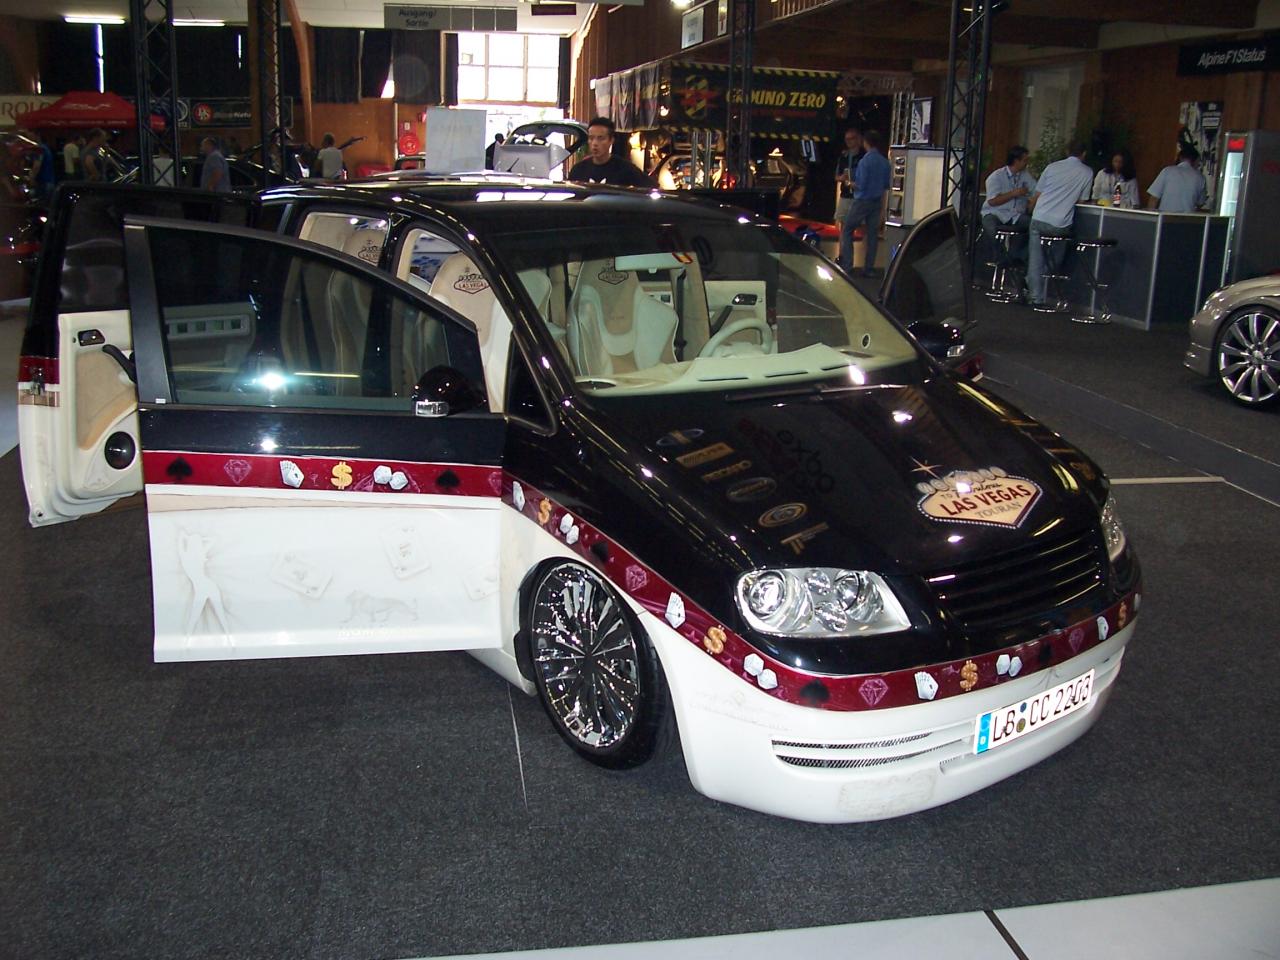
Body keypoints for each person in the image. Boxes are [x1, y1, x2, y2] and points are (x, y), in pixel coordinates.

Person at [1025, 140, 1093, 306]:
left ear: (1067, 151)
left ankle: (1035, 296)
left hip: (1040, 216)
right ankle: (1038, 281)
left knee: (1035, 259)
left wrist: (1030, 209)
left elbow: (1038, 194)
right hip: (1060, 223)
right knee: (1055, 259)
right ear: (1084, 154)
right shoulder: (1087, 172)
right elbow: (1082, 200)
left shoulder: (1052, 167)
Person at [840, 128, 891, 277]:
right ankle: (869, 268)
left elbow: (860, 185)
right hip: (876, 201)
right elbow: (886, 185)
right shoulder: (884, 162)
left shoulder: (864, 161)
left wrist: (849, 183)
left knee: (847, 230)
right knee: (872, 235)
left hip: (862, 201)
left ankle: (848, 265)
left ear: (865, 142)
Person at [980, 145, 1036, 265]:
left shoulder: (1025, 176)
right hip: (995, 212)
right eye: (1025, 160)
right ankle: (998, 257)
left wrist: (1032, 201)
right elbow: (992, 201)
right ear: (1016, 161)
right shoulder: (996, 177)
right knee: (990, 226)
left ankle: (1016, 257)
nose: (1027, 163)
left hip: (1016, 214)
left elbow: (1036, 190)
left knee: (1034, 226)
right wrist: (1013, 193)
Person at [567, 117, 654, 188]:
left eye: (601, 138)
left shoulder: (624, 168)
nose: (595, 143)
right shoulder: (578, 170)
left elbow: (651, 187)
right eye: (591, 138)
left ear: (611, 140)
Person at [1147, 144, 1208, 213]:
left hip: (1165, 216)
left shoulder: (1167, 171)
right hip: (1188, 218)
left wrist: (1150, 217)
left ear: (1180, 158)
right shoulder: (1200, 177)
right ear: (1196, 160)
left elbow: (1154, 198)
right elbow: (1200, 203)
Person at [834, 127, 864, 224]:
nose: (848, 141)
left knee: (860, 224)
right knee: (842, 222)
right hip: (845, 195)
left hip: (860, 196)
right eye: (846, 139)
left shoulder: (864, 156)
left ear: (858, 139)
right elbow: (836, 176)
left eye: (851, 138)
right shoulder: (843, 156)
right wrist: (841, 178)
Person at [28, 130, 55, 203]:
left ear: (37, 135)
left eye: (30, 132)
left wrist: (32, 177)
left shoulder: (39, 149)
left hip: (43, 183)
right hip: (49, 181)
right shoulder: (45, 148)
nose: (28, 135)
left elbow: (37, 166)